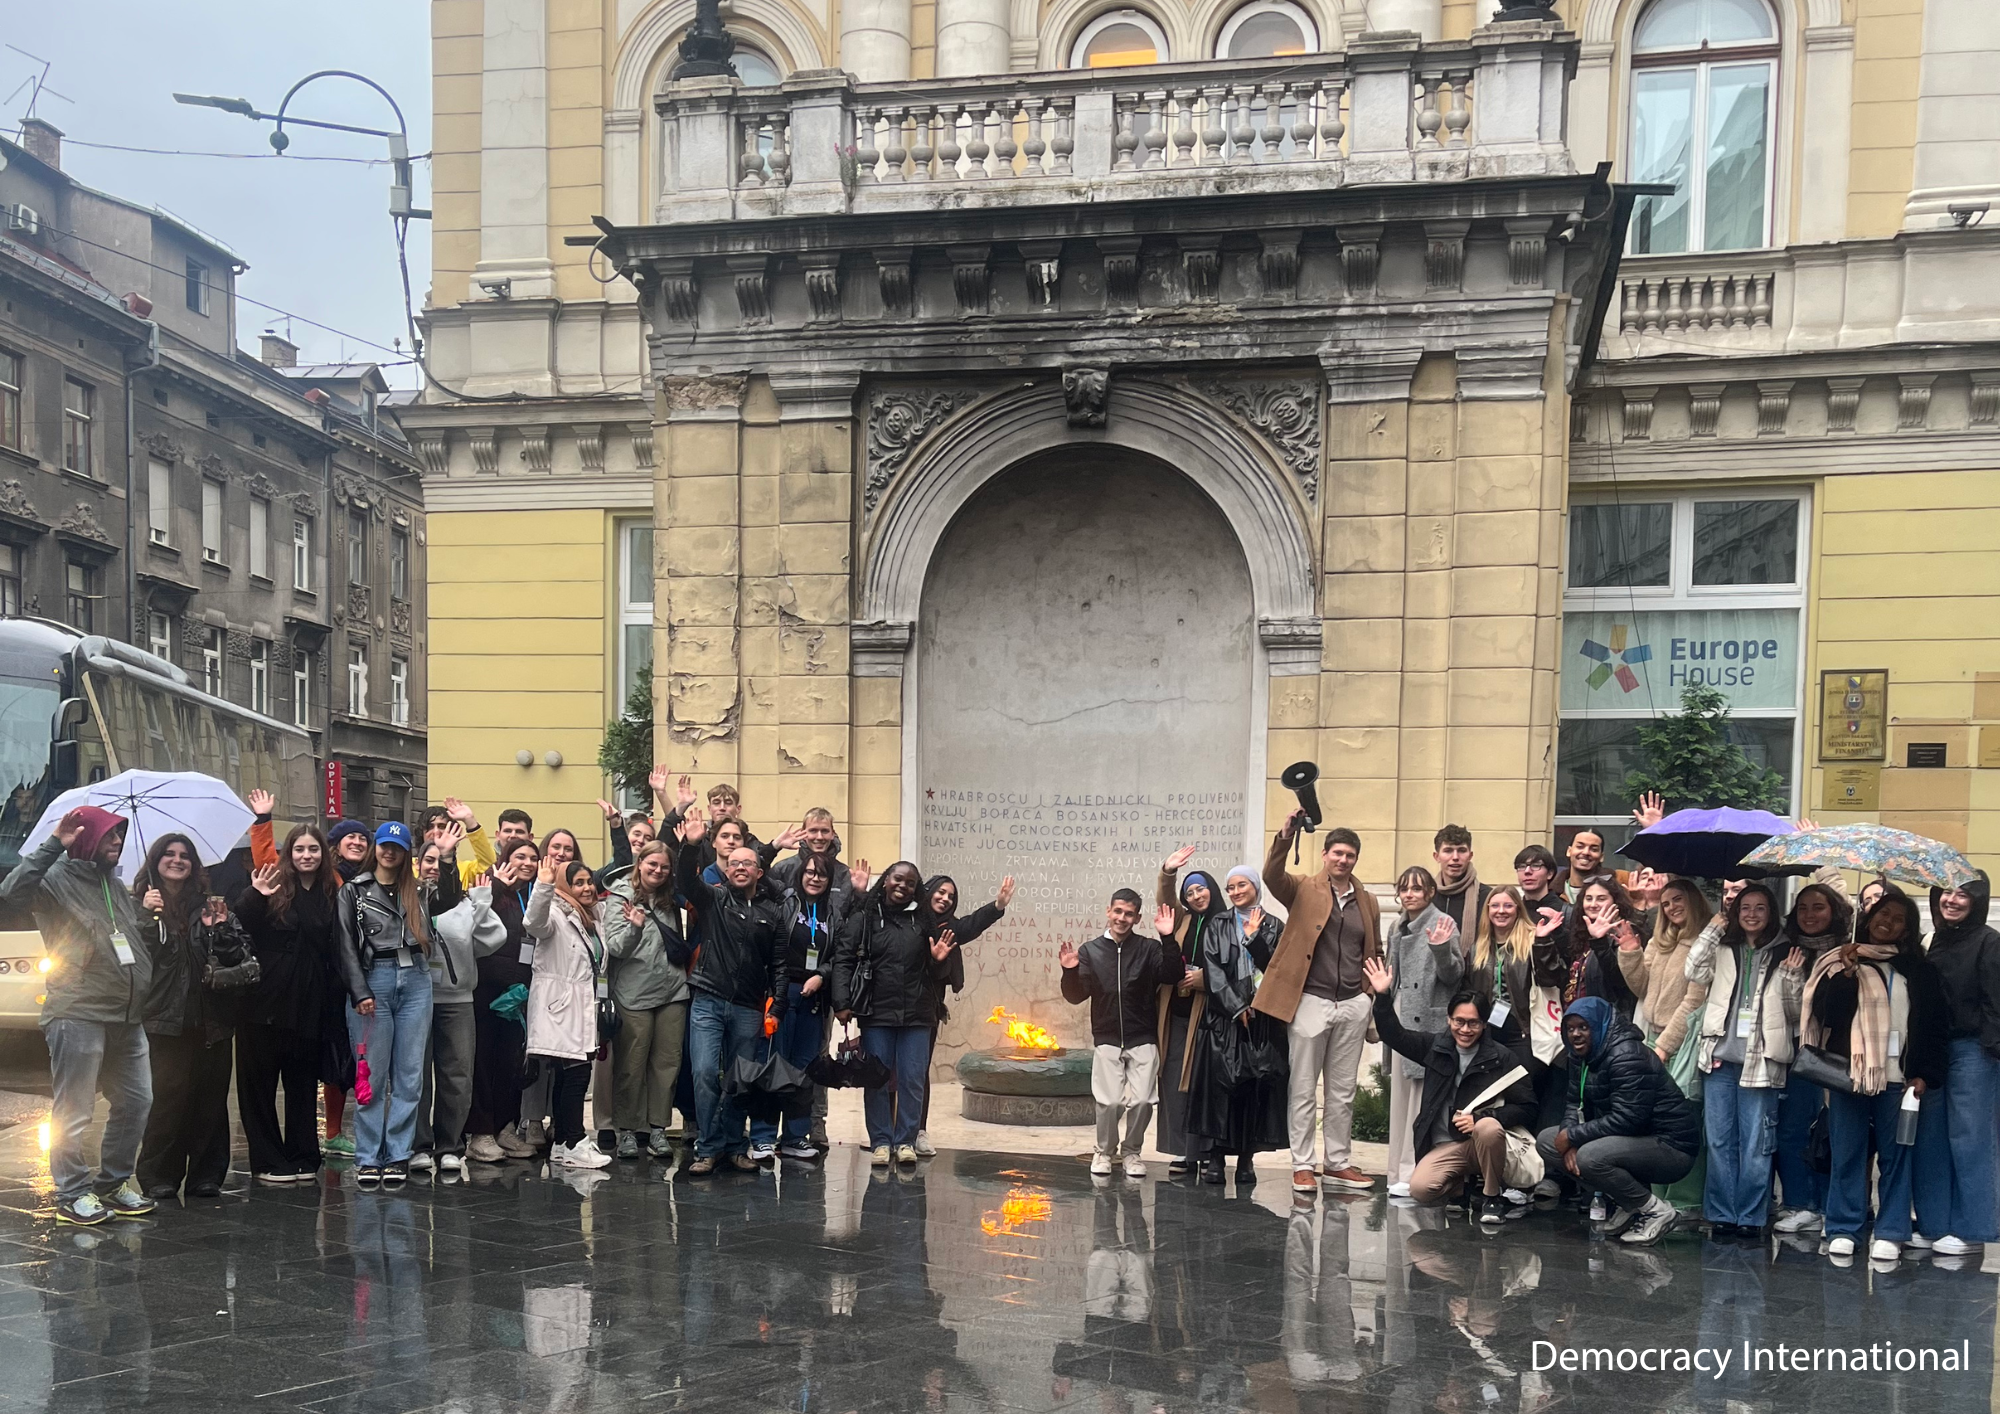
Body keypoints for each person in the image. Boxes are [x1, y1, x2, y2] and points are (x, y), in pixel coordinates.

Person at [3, 807, 156, 1225]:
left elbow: (123, 938)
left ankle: (113, 1183)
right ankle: (72, 1192)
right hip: (77, 1011)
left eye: (120, 837)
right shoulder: (55, 880)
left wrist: (144, 914)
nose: (118, 843)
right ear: (87, 837)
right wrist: (54, 844)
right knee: (75, 1108)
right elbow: (10, 892)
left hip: (127, 1014)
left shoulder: (114, 884)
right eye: (110, 836)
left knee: (137, 1102)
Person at [1803, 892, 1949, 1261]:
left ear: (1907, 929)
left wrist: (1924, 1075)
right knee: (1848, 1151)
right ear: (1868, 918)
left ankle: (1890, 1230)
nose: (1888, 922)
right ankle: (1843, 1228)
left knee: (1897, 1153)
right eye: (1883, 914)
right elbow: (1827, 1015)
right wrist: (1847, 975)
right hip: (1850, 1074)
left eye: (1899, 918)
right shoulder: (1842, 961)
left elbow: (1933, 1026)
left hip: (1900, 1077)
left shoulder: (1919, 970)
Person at [1252, 813, 1381, 1196]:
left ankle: (1338, 1162)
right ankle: (1303, 1165)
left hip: (1352, 1003)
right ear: (1325, 855)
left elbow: (1372, 948)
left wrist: (1368, 995)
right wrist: (1284, 837)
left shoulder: (1367, 900)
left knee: (1342, 1091)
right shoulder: (1303, 888)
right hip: (1311, 1000)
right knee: (1304, 1088)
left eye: (1351, 855)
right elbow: (1272, 875)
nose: (1344, 860)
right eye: (1338, 853)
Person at [1362, 958, 1537, 1223]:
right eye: (1459, 1021)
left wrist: (1483, 1118)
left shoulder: (1502, 1057)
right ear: (1448, 1019)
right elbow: (1393, 1034)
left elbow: (1527, 1107)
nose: (1465, 1030)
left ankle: (1491, 1197)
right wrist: (1383, 996)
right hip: (1447, 1146)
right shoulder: (1435, 1047)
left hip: (1486, 1144)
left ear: (1485, 1024)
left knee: (1488, 1129)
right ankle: (1461, 1188)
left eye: (1474, 1023)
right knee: (1420, 1189)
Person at [133, 834, 255, 1201]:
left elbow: (238, 953)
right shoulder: (139, 904)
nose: (177, 860)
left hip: (211, 1017)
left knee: (210, 1101)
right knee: (167, 1100)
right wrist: (144, 915)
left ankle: (207, 1174)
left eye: (184, 855)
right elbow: (134, 957)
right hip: (164, 1018)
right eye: (168, 854)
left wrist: (220, 928)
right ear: (155, 861)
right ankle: (159, 1175)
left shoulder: (210, 904)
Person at [336, 821, 458, 1187]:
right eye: (384, 845)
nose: (389, 852)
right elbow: (343, 944)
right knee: (371, 1075)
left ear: (406, 852)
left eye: (397, 846)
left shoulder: (418, 890)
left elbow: (451, 897)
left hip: (416, 979)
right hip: (375, 978)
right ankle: (369, 1156)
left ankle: (399, 1154)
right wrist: (360, 992)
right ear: (376, 848)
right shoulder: (354, 892)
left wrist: (449, 857)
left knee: (409, 1074)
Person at [1686, 882, 1805, 1239]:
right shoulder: (1724, 946)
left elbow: (1796, 1013)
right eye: (1745, 908)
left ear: (1771, 913)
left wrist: (1791, 977)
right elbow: (1693, 971)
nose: (1752, 914)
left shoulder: (1785, 951)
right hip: (1721, 1057)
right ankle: (1722, 1213)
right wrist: (1714, 927)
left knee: (1756, 1142)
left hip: (1763, 1059)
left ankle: (1752, 1215)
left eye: (1760, 908)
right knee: (1720, 1141)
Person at [674, 809, 788, 1175]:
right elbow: (686, 885)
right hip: (708, 999)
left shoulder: (772, 913)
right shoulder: (713, 901)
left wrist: (778, 1007)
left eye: (747, 863)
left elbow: (781, 965)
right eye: (733, 863)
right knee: (705, 1073)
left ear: (758, 872)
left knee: (740, 1079)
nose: (739, 867)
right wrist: (691, 846)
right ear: (726, 870)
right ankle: (707, 1147)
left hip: (748, 1008)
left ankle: (737, 1144)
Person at [1535, 997, 1700, 1246]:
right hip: (1631, 1140)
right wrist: (1568, 1135)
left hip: (1671, 1147)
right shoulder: (1580, 1056)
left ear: (1599, 1026)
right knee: (1547, 1141)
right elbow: (1573, 1102)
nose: (1576, 1035)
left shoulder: (1627, 1055)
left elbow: (1629, 1119)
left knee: (1590, 1156)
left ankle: (1656, 1211)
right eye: (1570, 1029)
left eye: (1583, 1027)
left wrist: (1573, 1137)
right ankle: (1630, 1205)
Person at [236, 824, 341, 1182]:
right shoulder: (273, 885)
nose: (306, 856)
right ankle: (267, 1160)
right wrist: (256, 894)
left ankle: (303, 1154)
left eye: (313, 849)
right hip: (265, 999)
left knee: (301, 1084)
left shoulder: (332, 891)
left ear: (323, 854)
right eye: (299, 850)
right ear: (289, 854)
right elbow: (241, 926)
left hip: (311, 1002)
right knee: (259, 1085)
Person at [834, 861, 952, 1166]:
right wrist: (842, 1002)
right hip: (877, 1013)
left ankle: (906, 1141)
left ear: (916, 889)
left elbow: (936, 970)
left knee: (912, 1079)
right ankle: (881, 1142)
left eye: (911, 883)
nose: (903, 886)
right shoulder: (865, 918)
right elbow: (844, 960)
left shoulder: (923, 922)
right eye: (898, 879)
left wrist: (938, 960)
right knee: (877, 1079)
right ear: (886, 881)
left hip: (917, 1013)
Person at [1060, 890, 1184, 1179]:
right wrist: (1069, 971)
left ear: (1137, 917)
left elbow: (1173, 974)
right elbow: (1076, 995)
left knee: (1142, 1101)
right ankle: (1104, 1151)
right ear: (1108, 911)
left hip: (1143, 1036)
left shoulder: (1149, 948)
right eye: (1118, 911)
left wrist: (1167, 937)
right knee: (1110, 1102)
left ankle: (1131, 1152)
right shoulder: (1091, 951)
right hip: (1107, 1037)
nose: (1122, 918)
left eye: (1129, 914)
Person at [1182, 865, 1286, 1184]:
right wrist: (1235, 1006)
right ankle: (1215, 1157)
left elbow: (1276, 967)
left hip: (1261, 1019)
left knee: (1252, 1089)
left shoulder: (1274, 925)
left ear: (1255, 886)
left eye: (1242, 885)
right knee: (1220, 1089)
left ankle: (1245, 1159)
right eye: (1231, 887)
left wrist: (1255, 939)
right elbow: (1212, 969)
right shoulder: (1219, 923)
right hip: (1223, 1018)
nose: (1237, 891)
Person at [1615, 876, 1712, 1212]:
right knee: (1655, 1124)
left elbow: (1694, 1001)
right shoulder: (1661, 941)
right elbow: (1642, 988)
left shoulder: (1704, 944)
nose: (1671, 908)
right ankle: (1658, 1199)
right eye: (1666, 902)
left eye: (1678, 900)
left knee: (1684, 1122)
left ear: (1694, 901)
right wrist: (1630, 952)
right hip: (1654, 1038)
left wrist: (1665, 1046)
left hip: (1681, 1043)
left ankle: (1686, 1202)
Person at [415, 841, 508, 1175]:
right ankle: (419, 1146)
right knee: (417, 1075)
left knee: (457, 1075)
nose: (432, 867)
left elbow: (492, 938)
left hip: (456, 1000)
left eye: (439, 862)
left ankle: (450, 1145)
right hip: (416, 998)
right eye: (427, 860)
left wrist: (481, 905)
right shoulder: (408, 899)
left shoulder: (464, 901)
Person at [1921, 871, 2000, 1256]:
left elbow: (1995, 1001)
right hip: (1936, 1049)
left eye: (1962, 894)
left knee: (1970, 1139)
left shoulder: (1989, 942)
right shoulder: (1934, 939)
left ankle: (1975, 1228)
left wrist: (1992, 1048)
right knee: (1931, 1139)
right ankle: (1935, 1223)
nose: (1951, 900)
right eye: (1946, 892)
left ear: (1977, 900)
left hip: (1973, 1049)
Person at [1768, 881, 1853, 1235]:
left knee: (1830, 1134)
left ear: (1833, 910)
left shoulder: (1848, 952)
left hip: (1840, 1054)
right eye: (1803, 908)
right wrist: (1790, 979)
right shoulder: (1786, 952)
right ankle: (1799, 1203)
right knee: (1793, 1131)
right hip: (1798, 1055)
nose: (1809, 915)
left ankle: (1829, 1205)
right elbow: (1786, 1014)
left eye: (1818, 907)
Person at [523, 855, 613, 1169]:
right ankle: (573, 1139)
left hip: (584, 1004)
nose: (587, 888)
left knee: (571, 1073)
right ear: (565, 886)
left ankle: (563, 1140)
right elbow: (533, 923)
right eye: (579, 883)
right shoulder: (555, 914)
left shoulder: (593, 917)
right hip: (562, 1004)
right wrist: (544, 884)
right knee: (576, 1074)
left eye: (589, 881)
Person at [602, 840, 690, 1160]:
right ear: (640, 863)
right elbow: (614, 948)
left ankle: (657, 1129)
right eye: (652, 864)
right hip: (633, 992)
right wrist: (634, 929)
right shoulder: (619, 898)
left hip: (673, 991)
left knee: (667, 1064)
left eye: (664, 867)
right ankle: (626, 1129)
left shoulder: (670, 898)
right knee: (631, 1065)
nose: (658, 871)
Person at [912, 870, 1011, 1157]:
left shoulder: (949, 929)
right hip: (892, 1007)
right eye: (940, 892)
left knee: (918, 1071)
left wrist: (997, 907)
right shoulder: (907, 920)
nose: (944, 898)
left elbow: (972, 924)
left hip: (926, 1009)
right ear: (927, 891)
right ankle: (887, 1133)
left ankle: (918, 1131)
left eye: (951, 896)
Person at [1382, 866, 1463, 1197]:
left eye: (1417, 888)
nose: (1410, 894)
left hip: (1427, 1020)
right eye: (1405, 888)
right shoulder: (1396, 925)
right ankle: (1395, 1172)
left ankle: (1412, 1170)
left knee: (1421, 1099)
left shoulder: (1443, 923)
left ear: (1430, 892)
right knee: (1400, 1100)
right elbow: (1390, 975)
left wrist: (1441, 948)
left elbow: (1454, 976)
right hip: (1402, 1013)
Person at [466, 837, 541, 1162]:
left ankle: (505, 1128)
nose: (527, 862)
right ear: (505, 858)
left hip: (520, 993)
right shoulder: (491, 886)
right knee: (483, 1062)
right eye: (519, 856)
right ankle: (480, 1133)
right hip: (487, 990)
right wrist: (496, 886)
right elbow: (474, 920)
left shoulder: (535, 895)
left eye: (532, 857)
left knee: (511, 1062)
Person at [1154, 848, 1225, 1176]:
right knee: (1173, 1083)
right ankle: (1181, 1152)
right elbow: (1166, 899)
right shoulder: (1182, 920)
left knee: (1203, 1086)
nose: (1197, 896)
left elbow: (1239, 970)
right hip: (1176, 1017)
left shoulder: (1227, 924)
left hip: (1211, 1018)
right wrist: (1168, 872)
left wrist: (1206, 980)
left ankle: (1209, 1152)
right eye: (1190, 892)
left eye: (1201, 889)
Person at [1542, 876, 1645, 1018]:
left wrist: (1600, 942)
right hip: (1576, 1017)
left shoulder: (1625, 931)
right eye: (1589, 898)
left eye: (1601, 899)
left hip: (1607, 1019)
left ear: (1615, 901)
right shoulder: (1582, 932)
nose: (1593, 904)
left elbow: (1620, 981)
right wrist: (1558, 931)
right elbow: (1567, 967)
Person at [1430, 825, 1488, 935]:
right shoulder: (1427, 896)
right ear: (1436, 856)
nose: (1455, 857)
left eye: (1461, 850)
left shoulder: (1487, 897)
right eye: (1448, 851)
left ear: (1470, 856)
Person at [1560, 830, 1610, 904]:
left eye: (1594, 849)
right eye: (1580, 847)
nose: (1586, 852)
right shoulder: (1550, 891)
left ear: (1601, 857)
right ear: (1569, 851)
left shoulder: (1615, 887)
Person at [1512, 845, 1562, 918]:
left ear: (1550, 874)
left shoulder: (1565, 912)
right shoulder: (1513, 913)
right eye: (1522, 866)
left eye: (1535, 866)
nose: (1527, 871)